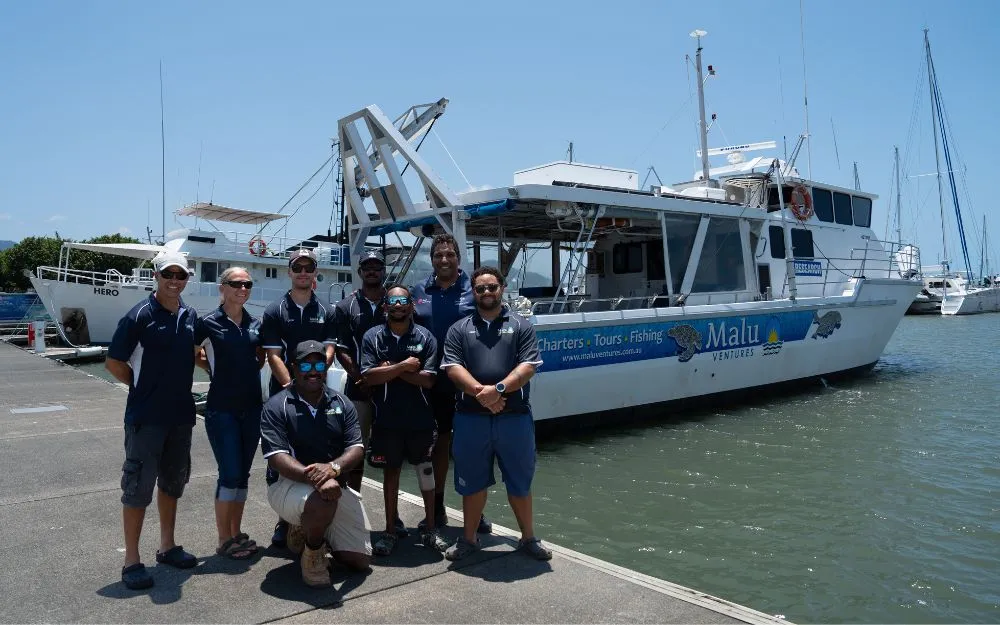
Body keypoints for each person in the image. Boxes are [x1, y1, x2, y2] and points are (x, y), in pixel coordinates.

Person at [440, 266, 551, 561]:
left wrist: (498, 390)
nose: (486, 293)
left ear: (502, 288)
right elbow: (453, 367)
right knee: (472, 483)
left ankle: (528, 538)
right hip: (470, 419)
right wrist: (483, 394)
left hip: (514, 418)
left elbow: (528, 366)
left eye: (492, 287)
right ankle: (469, 539)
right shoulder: (458, 329)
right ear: (473, 292)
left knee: (519, 481)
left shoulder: (521, 325)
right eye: (480, 288)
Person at [106, 251, 200, 590]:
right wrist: (141, 386)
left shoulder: (190, 316)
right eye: (168, 275)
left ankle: (167, 545)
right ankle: (131, 559)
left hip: (181, 417)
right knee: (137, 489)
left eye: (181, 275)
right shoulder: (139, 317)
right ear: (156, 276)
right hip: (146, 418)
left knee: (173, 484)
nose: (174, 281)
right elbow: (114, 362)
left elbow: (196, 353)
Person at [260, 340, 372, 587]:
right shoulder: (276, 406)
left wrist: (333, 469)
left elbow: (357, 448)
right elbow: (278, 458)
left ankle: (308, 527)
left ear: (326, 367)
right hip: (287, 485)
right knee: (323, 499)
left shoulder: (343, 404)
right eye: (305, 365)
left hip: (331, 483)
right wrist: (319, 478)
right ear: (293, 367)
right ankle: (313, 552)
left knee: (359, 561)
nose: (313, 371)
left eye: (319, 364)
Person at [411, 233, 491, 535]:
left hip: (471, 382)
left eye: (450, 254)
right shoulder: (418, 291)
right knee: (438, 447)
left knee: (473, 447)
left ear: (459, 257)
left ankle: (476, 509)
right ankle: (438, 507)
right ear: (432, 259)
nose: (444, 260)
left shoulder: (474, 289)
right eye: (438, 255)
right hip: (433, 384)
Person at [360, 284, 449, 555]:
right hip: (386, 420)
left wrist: (390, 370)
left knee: (426, 471)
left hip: (420, 418)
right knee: (391, 473)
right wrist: (404, 367)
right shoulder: (372, 337)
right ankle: (389, 531)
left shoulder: (426, 337)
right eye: (393, 300)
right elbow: (368, 376)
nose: (398, 305)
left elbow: (430, 380)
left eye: (403, 300)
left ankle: (431, 528)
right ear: (385, 306)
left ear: (412, 305)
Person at [260, 248, 337, 548]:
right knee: (281, 458)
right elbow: (273, 354)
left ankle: (317, 518)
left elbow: (329, 349)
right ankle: (284, 520)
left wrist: (315, 377)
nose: (303, 272)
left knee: (317, 452)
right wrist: (294, 386)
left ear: (315, 272)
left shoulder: (327, 310)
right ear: (289, 272)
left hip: (318, 394)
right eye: (298, 267)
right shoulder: (274, 310)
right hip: (285, 395)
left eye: (309, 267)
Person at [194, 267, 265, 560]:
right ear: (222, 288)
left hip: (252, 408)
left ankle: (236, 531)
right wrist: (211, 367)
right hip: (222, 409)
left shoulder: (255, 324)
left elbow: (260, 357)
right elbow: (191, 350)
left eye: (247, 284)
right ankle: (223, 539)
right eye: (236, 284)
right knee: (230, 473)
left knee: (243, 475)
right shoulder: (208, 323)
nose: (242, 288)